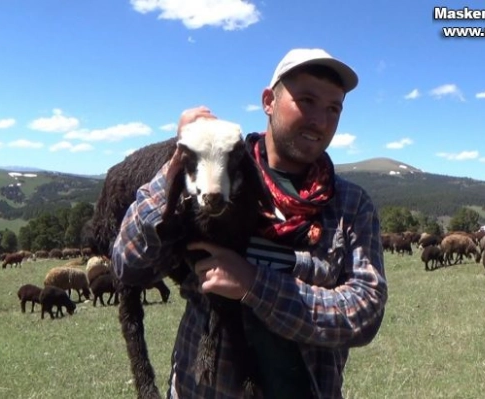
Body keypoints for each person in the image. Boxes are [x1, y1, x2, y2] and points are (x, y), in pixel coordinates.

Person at [111, 48, 388, 399]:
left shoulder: (350, 205)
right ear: (269, 101)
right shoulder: (211, 183)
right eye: (307, 100)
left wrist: (254, 285)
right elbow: (126, 264)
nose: (320, 120)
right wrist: (180, 161)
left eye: (334, 108)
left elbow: (365, 312)